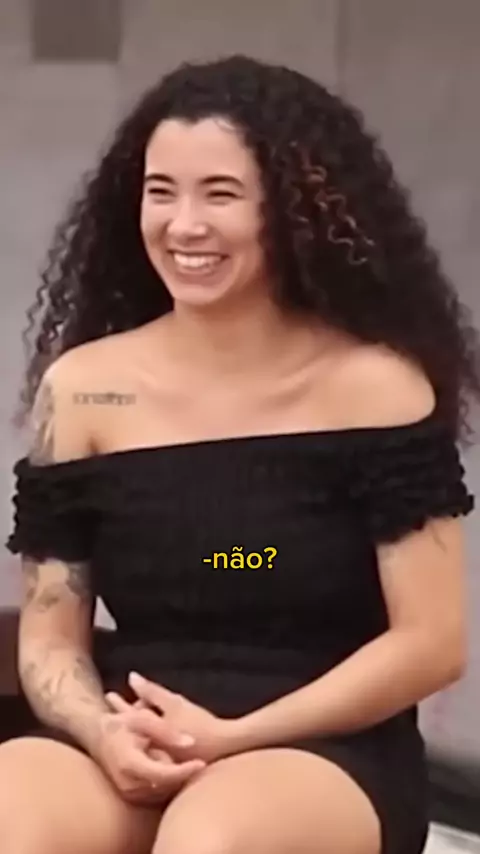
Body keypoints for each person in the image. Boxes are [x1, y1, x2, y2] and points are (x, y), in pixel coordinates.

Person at [1, 53, 478, 854]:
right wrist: (103, 731)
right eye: (161, 192)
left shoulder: (374, 386)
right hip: (136, 730)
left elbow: (431, 643)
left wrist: (234, 736)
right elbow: (51, 637)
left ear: (293, 210)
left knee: (212, 839)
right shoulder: (83, 391)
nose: (184, 225)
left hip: (321, 747)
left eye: (220, 194)